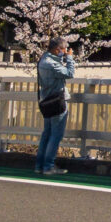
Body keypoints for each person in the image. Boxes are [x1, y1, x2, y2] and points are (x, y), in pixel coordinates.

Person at [35, 36, 75, 175]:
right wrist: (69, 59)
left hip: (46, 101)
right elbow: (70, 73)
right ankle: (48, 166)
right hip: (57, 101)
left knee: (47, 134)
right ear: (57, 49)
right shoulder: (52, 64)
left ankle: (39, 166)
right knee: (56, 135)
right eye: (63, 50)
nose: (65, 52)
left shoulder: (43, 60)